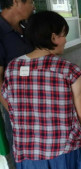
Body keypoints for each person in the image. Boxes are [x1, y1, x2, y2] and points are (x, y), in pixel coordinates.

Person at [1, 11, 81, 168]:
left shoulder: (12, 68)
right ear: (53, 38)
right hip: (62, 149)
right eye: (63, 35)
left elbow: (9, 102)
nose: (66, 40)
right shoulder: (68, 70)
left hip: (27, 152)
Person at [0, 0, 35, 166]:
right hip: (17, 108)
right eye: (31, 1)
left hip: (38, 102)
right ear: (15, 1)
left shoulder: (26, 28)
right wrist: (14, 111)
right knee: (23, 155)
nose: (34, 5)